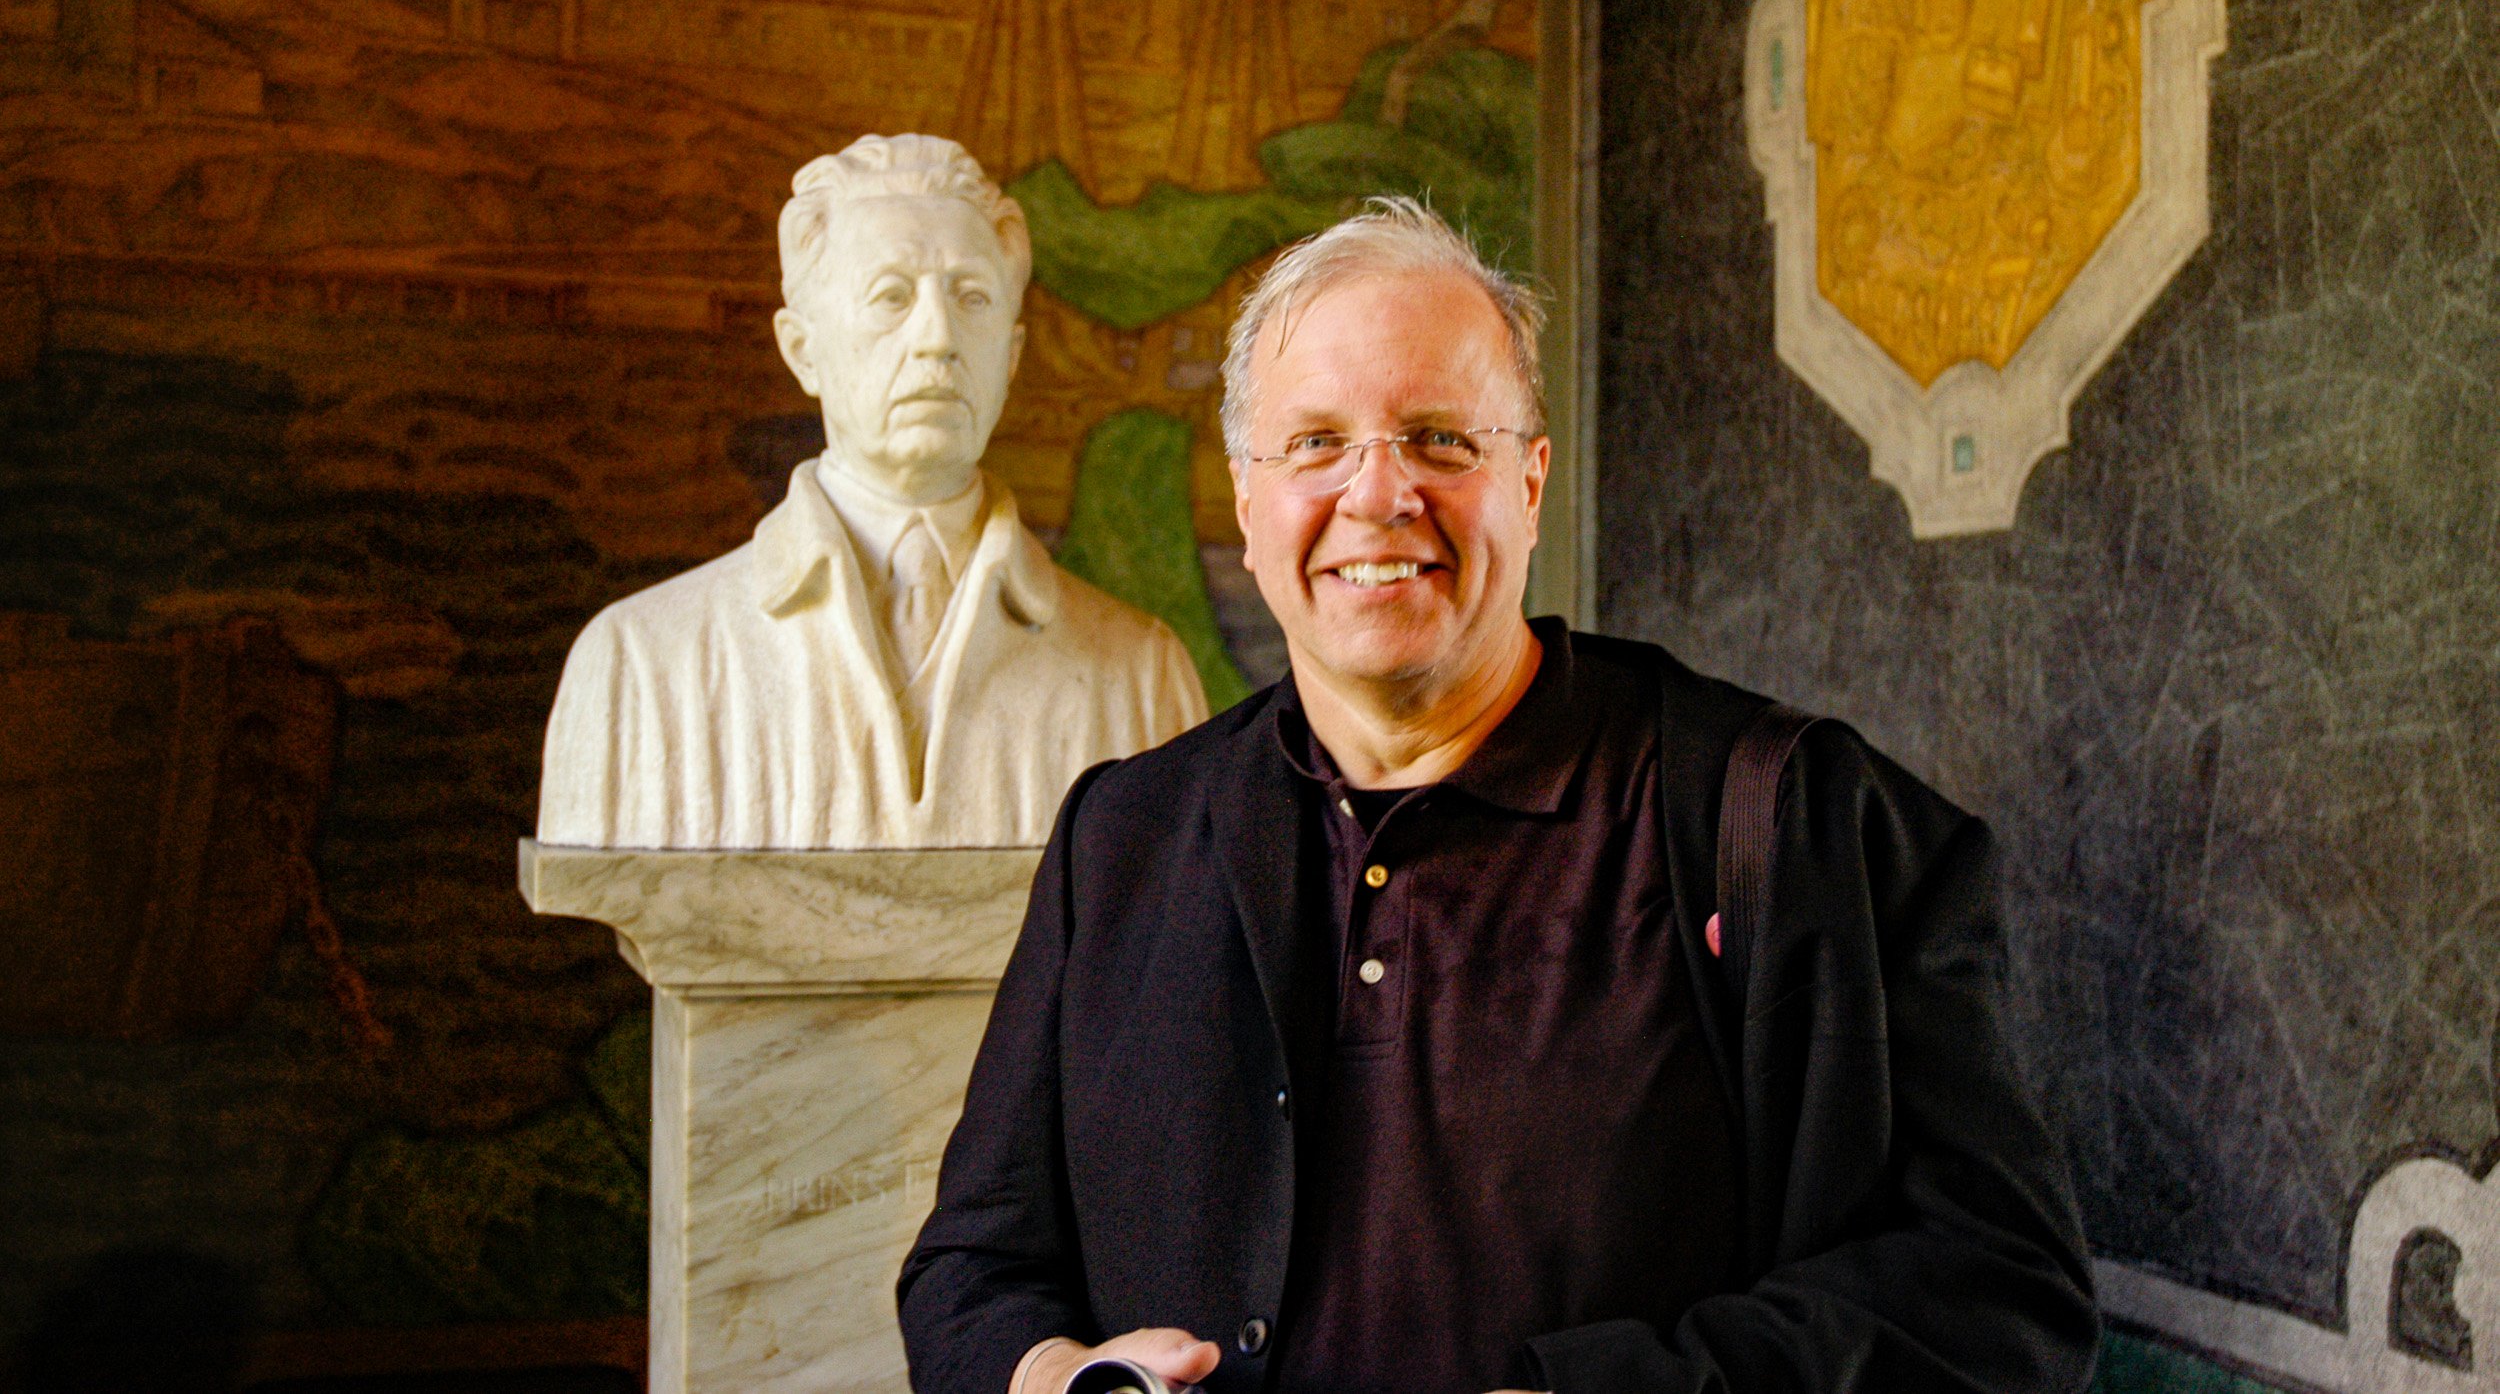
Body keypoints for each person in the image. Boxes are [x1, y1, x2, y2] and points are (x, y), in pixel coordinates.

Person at [897, 199, 2097, 1391]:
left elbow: (2000, 1294)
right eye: (1314, 442)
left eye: (1438, 437)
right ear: (1248, 507)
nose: (1377, 494)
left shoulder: (1786, 819)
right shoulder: (1122, 836)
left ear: (1529, 483)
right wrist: (1056, 1377)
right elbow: (971, 1269)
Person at [537, 134, 1205, 851]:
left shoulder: (1144, 680)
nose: (937, 336)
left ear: (1010, 357)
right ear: (802, 350)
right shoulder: (636, 669)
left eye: (972, 296)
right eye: (890, 295)